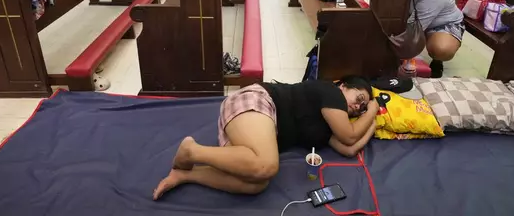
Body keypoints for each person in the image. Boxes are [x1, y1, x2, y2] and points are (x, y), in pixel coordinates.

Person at [153, 77, 378, 200]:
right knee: (267, 165)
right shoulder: (332, 92)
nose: (357, 107)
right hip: (257, 102)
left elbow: (348, 148)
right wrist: (372, 110)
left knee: (256, 184)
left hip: (254, 129)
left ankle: (186, 174)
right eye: (359, 98)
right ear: (343, 85)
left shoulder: (329, 125)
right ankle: (192, 151)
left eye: (360, 108)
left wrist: (373, 125)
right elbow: (349, 136)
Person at [408, 0, 464, 78]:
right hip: (418, 17)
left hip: (443, 24)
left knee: (440, 50)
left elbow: (416, 28)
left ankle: (438, 60)